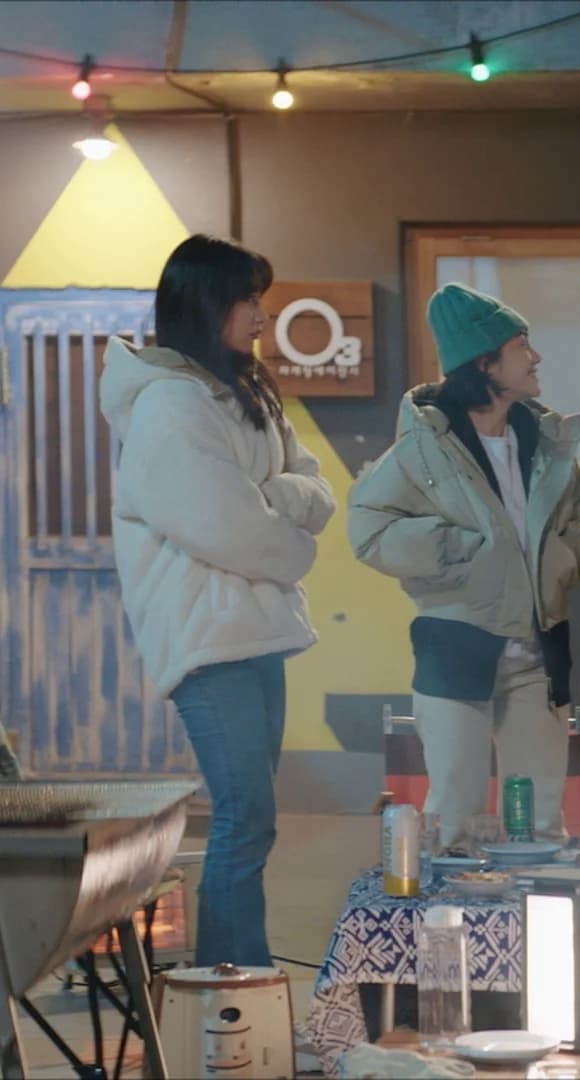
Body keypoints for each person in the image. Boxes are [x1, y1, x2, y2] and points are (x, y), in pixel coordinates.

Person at [101, 234, 334, 966]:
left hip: (255, 632)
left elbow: (316, 488)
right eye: (247, 299)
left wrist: (269, 497)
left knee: (253, 820)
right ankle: (228, 991)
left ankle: (240, 981)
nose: (262, 315)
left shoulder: (242, 391)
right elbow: (226, 526)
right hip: (208, 639)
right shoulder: (171, 404)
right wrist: (287, 537)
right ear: (205, 304)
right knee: (243, 815)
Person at [348, 284, 580, 848]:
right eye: (521, 345)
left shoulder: (546, 442)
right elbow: (368, 531)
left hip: (539, 655)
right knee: (454, 822)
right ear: (484, 362)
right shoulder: (424, 446)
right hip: (456, 651)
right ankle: (450, 909)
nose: (536, 356)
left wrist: (560, 558)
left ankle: (535, 908)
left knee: (540, 826)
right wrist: (459, 550)